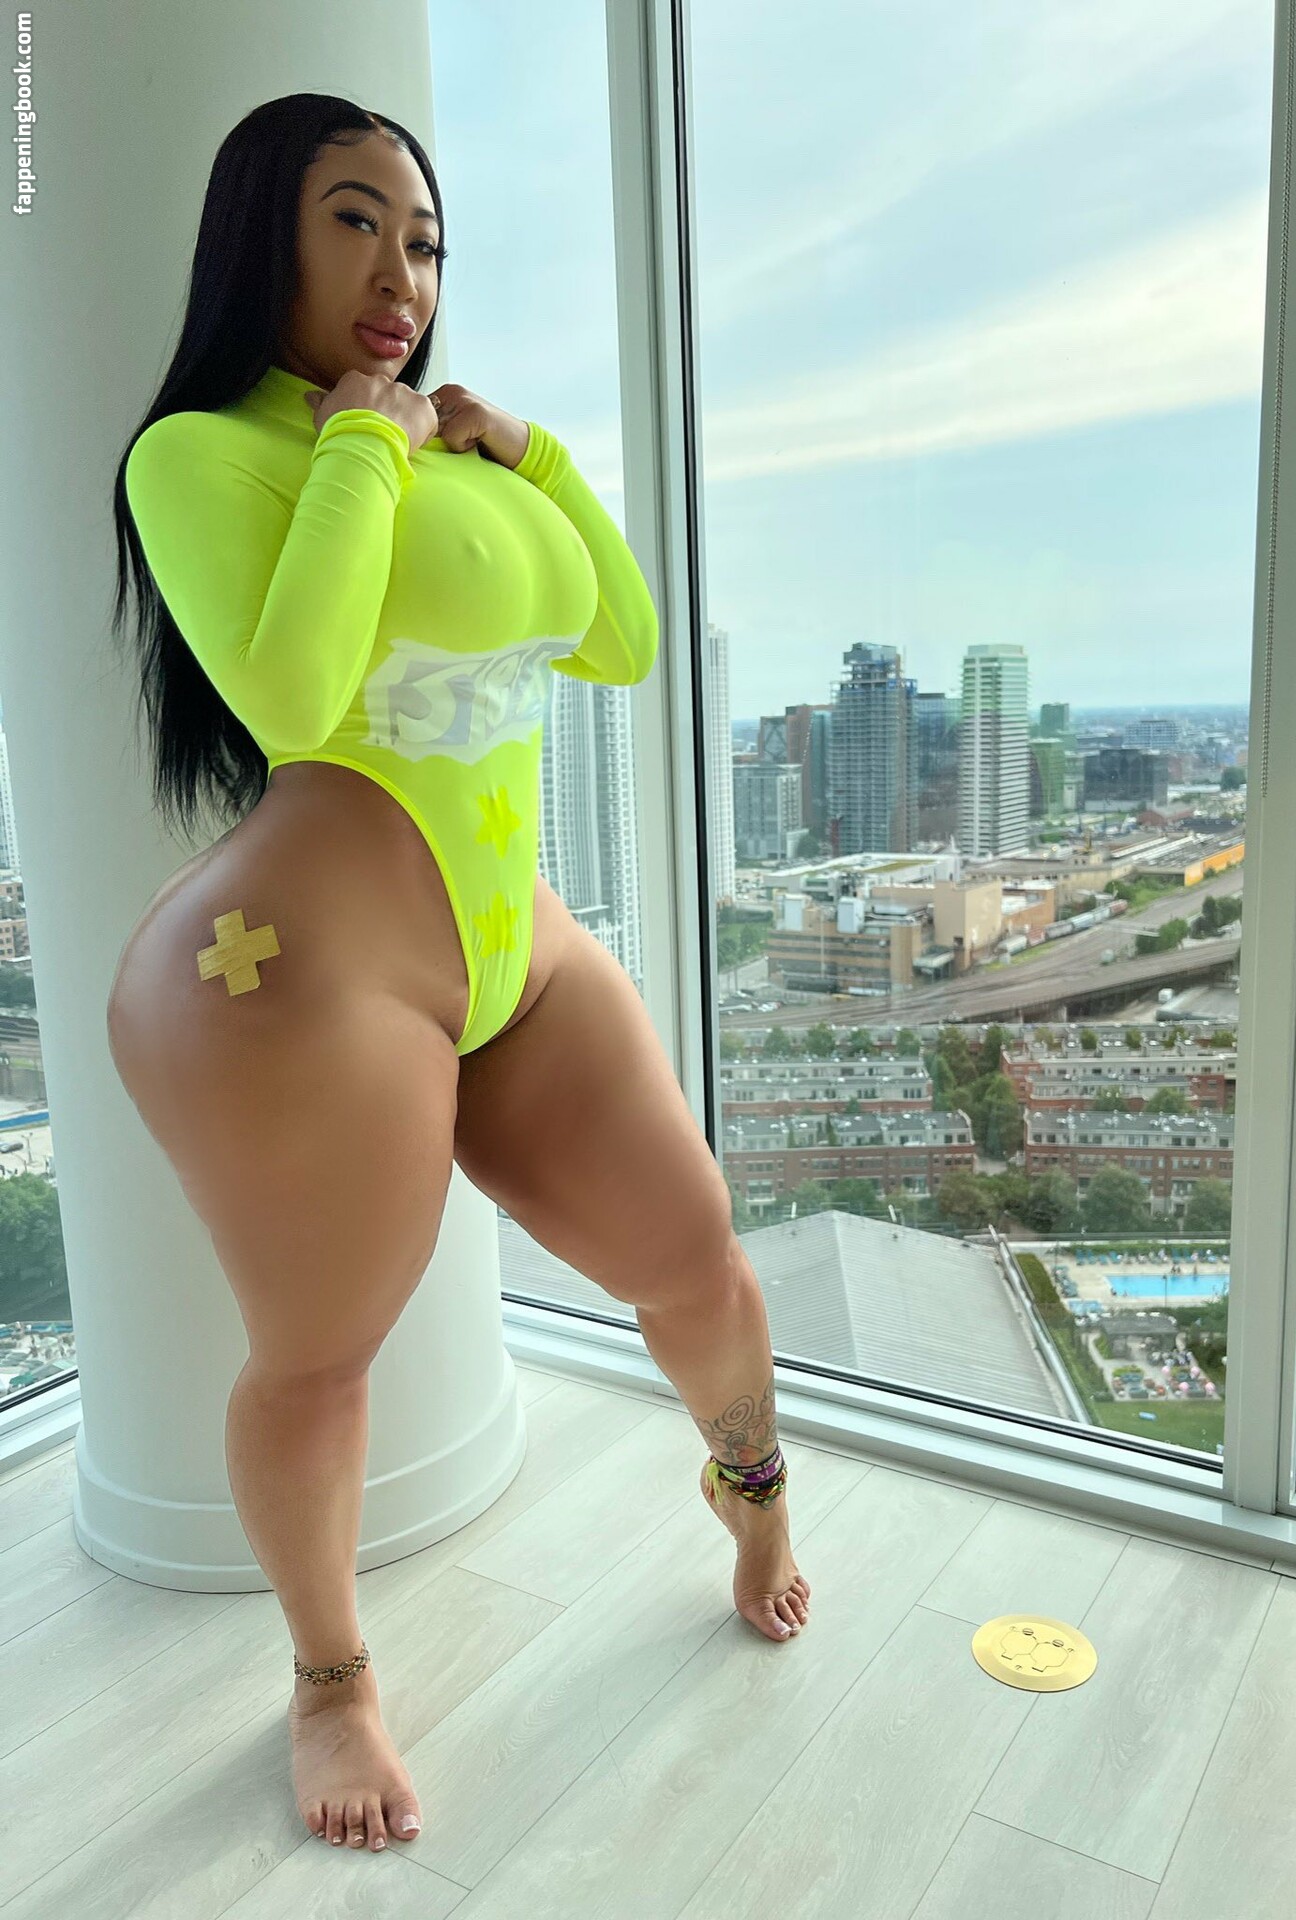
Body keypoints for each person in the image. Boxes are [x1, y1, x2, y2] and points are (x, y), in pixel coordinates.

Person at [106, 94, 808, 1857]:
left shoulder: (457, 447)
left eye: (423, 241)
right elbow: (289, 694)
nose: (399, 274)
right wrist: (363, 443)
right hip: (312, 978)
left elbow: (623, 642)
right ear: (261, 236)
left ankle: (750, 1492)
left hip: (517, 951)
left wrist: (528, 452)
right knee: (320, 1357)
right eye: (354, 222)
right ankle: (328, 1682)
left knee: (695, 1249)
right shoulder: (199, 454)